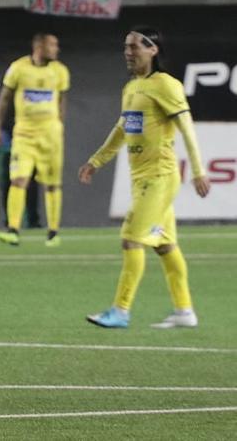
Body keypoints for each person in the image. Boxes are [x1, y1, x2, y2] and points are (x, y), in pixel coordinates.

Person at [80, 26, 210, 329]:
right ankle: (184, 312)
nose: (128, 52)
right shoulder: (132, 88)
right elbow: (122, 129)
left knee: (131, 239)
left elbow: (187, 128)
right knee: (165, 246)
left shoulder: (166, 85)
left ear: (153, 50)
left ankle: (121, 311)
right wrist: (96, 161)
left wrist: (198, 171)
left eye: (135, 46)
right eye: (126, 46)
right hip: (141, 178)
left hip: (159, 177)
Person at [0, 32, 69, 246]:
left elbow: (62, 100)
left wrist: (60, 125)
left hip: (50, 136)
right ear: (39, 47)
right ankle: (13, 230)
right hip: (24, 135)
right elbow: (5, 98)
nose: (56, 49)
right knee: (18, 179)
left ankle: (53, 233)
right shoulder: (18, 68)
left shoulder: (60, 71)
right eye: (52, 45)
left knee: (52, 184)